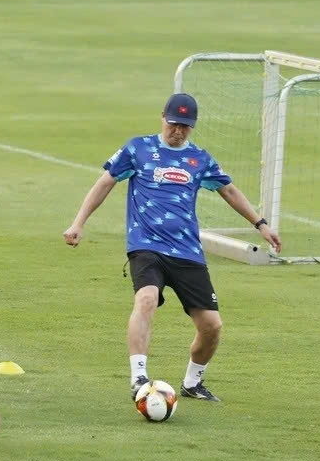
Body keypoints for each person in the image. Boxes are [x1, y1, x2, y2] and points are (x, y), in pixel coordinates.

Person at [63, 94, 281, 403]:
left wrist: (261, 224)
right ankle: (139, 375)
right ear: (162, 118)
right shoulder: (137, 149)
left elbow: (229, 190)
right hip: (145, 245)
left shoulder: (200, 159)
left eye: (185, 127)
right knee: (147, 298)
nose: (177, 131)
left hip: (187, 250)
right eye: (173, 124)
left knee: (212, 326)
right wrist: (78, 223)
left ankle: (192, 383)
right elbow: (105, 183)